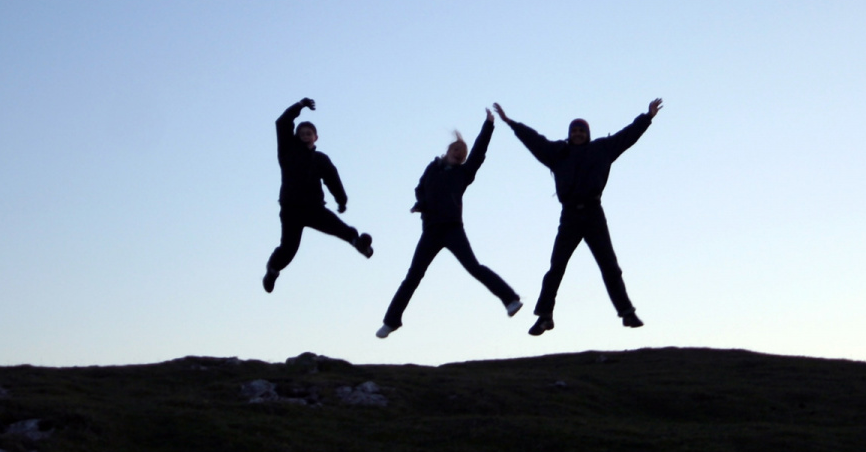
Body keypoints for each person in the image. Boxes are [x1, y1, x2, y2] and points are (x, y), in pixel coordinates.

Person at [494, 97, 662, 335]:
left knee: (609, 266)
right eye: (574, 130)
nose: (578, 134)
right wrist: (511, 123)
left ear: (588, 134)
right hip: (570, 215)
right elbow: (535, 141)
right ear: (569, 134)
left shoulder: (602, 149)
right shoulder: (558, 153)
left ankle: (626, 312)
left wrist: (647, 117)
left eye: (582, 130)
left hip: (594, 213)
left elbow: (627, 136)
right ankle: (544, 317)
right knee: (556, 268)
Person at [376, 110, 522, 338]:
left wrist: (489, 126)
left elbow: (479, 152)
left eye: (463, 154)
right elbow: (421, 189)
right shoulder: (431, 169)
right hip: (431, 230)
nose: (460, 155)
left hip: (453, 228)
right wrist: (420, 204)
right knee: (413, 276)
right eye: (456, 150)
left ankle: (510, 299)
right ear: (448, 151)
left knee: (474, 267)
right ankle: (391, 321)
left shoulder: (464, 174)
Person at [264, 97, 372, 293]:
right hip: (291, 210)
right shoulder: (287, 151)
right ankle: (273, 269)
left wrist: (341, 200)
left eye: (309, 133)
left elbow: (332, 178)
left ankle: (358, 243)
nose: (305, 135)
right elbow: (282, 123)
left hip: (314, 208)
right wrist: (300, 106)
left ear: (316, 137)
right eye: (302, 133)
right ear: (296, 136)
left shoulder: (321, 159)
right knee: (288, 250)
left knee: (339, 227)